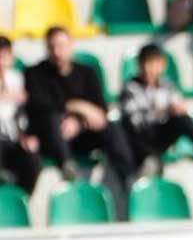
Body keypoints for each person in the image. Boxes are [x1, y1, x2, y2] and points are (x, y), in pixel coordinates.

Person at [25, 27, 135, 217]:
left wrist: (79, 123)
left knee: (112, 126)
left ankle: (128, 177)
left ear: (71, 46)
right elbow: (41, 106)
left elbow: (100, 110)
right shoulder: (35, 73)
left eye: (62, 45)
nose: (57, 51)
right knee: (51, 120)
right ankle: (68, 167)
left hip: (83, 134)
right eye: (52, 47)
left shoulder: (87, 72)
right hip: (53, 138)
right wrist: (77, 106)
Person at [120, 43, 193, 178]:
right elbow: (135, 121)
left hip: (161, 135)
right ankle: (149, 160)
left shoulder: (168, 85)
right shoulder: (130, 87)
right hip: (142, 138)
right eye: (144, 64)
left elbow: (177, 106)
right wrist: (163, 110)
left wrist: (173, 110)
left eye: (151, 63)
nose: (147, 69)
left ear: (162, 64)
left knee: (183, 118)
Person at [0, 36, 41, 193]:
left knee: (32, 157)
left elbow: (28, 112)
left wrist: (28, 135)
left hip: (14, 139)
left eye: (4, 56)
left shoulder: (19, 79)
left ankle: (22, 201)